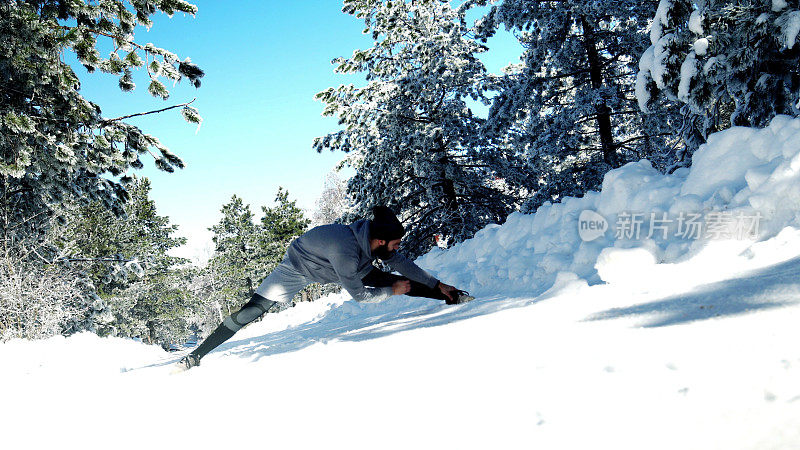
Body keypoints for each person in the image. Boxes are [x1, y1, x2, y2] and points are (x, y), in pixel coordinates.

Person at [173, 206, 473, 372]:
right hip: (296, 269)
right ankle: (196, 355)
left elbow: (404, 266)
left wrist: (437, 284)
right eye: (394, 244)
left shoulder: (373, 241)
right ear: (380, 241)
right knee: (252, 311)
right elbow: (360, 296)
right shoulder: (346, 251)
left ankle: (451, 297)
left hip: (344, 266)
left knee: (398, 282)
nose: (397, 249)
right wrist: (389, 292)